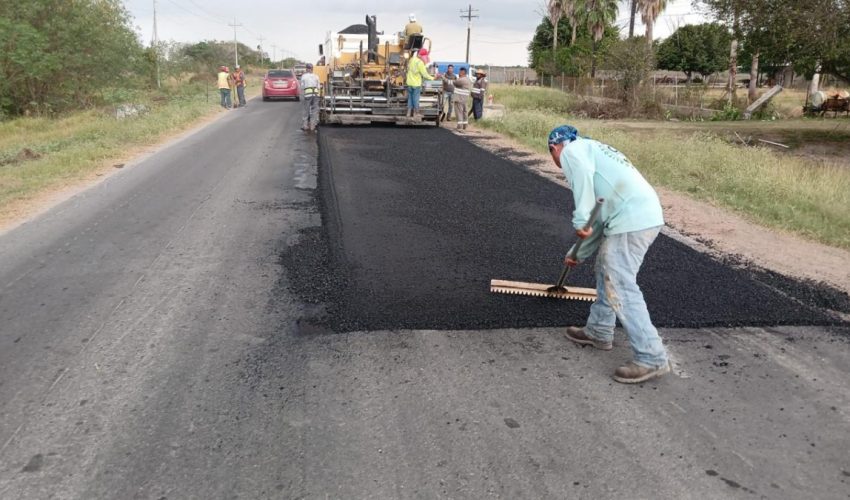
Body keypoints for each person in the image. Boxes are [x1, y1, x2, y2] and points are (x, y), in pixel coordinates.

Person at [548, 125, 669, 384]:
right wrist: (578, 253)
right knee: (606, 269)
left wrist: (580, 220)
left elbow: (586, 206)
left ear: (554, 148)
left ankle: (652, 356)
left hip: (633, 217)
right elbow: (599, 220)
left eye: (553, 154)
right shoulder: (593, 151)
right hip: (637, 214)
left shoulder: (572, 151)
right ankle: (599, 330)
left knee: (619, 282)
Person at [405, 48, 434, 118]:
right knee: (415, 99)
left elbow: (408, 69)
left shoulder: (412, 59)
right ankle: (416, 113)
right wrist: (433, 78)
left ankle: (408, 113)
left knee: (410, 99)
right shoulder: (420, 63)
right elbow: (425, 74)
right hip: (416, 84)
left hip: (409, 83)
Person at [300, 62, 320, 131]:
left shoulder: (304, 76)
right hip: (315, 95)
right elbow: (318, 87)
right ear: (312, 69)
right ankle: (312, 126)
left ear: (306, 69)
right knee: (314, 111)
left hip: (307, 95)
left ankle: (305, 126)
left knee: (306, 110)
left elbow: (302, 87)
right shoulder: (316, 76)